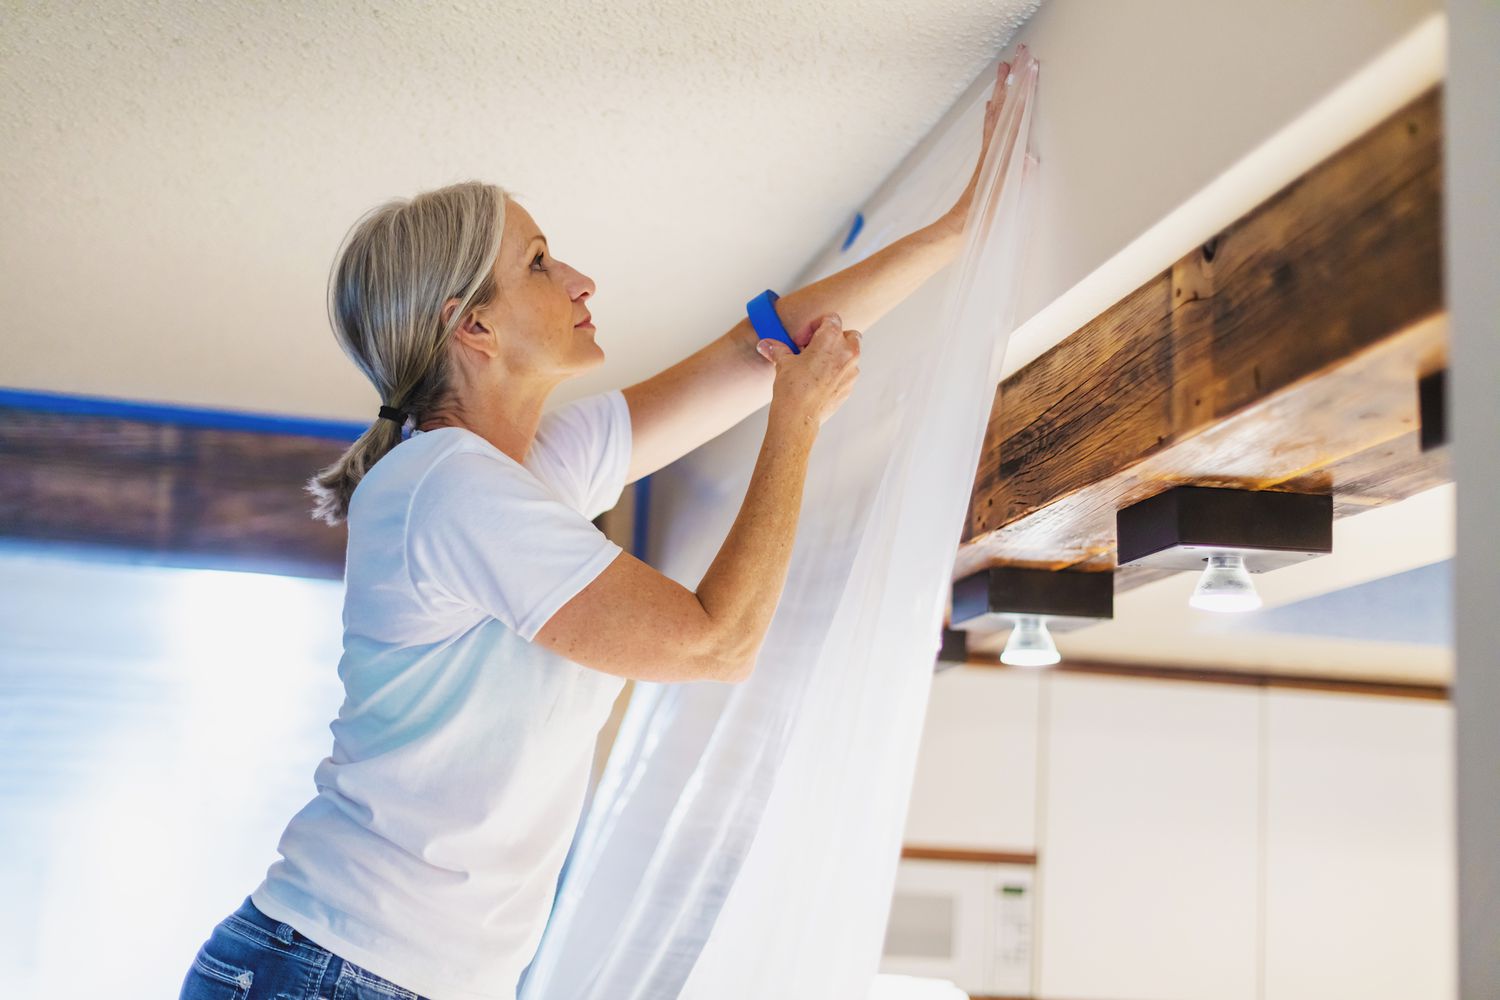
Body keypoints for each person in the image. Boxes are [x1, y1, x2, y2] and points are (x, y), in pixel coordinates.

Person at [179, 62, 1010, 1000]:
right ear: (475, 329)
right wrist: (797, 424)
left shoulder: (519, 471)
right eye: (539, 262)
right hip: (337, 972)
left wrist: (956, 228)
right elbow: (715, 641)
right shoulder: (449, 487)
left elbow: (756, 351)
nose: (579, 279)